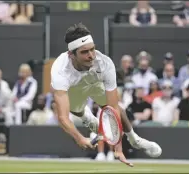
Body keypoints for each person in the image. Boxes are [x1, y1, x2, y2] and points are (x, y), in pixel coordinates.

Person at [51, 23, 162, 166]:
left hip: (94, 82)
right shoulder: (60, 72)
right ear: (71, 54)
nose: (91, 55)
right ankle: (87, 117)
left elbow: (113, 108)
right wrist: (79, 138)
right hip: (74, 88)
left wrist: (118, 147)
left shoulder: (104, 63)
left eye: (92, 49)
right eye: (85, 52)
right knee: (77, 111)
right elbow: (63, 118)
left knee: (115, 107)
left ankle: (135, 139)